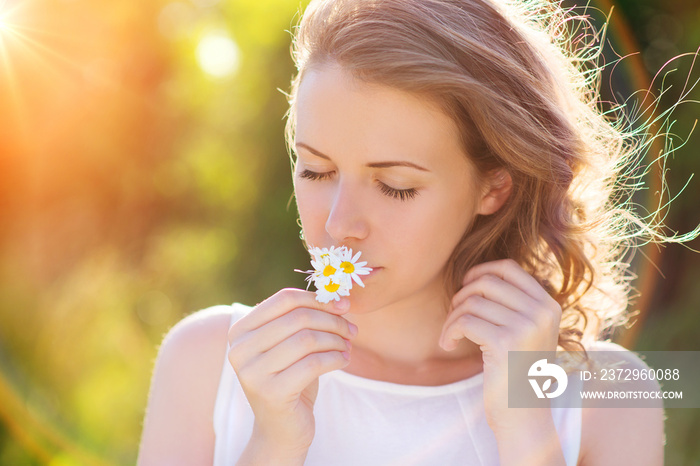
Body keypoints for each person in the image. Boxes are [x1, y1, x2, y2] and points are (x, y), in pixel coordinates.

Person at [137, 0, 682, 464]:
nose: (337, 224)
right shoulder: (209, 361)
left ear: (494, 187)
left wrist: (528, 432)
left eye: (395, 185)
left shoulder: (612, 393)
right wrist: (272, 445)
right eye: (317, 171)